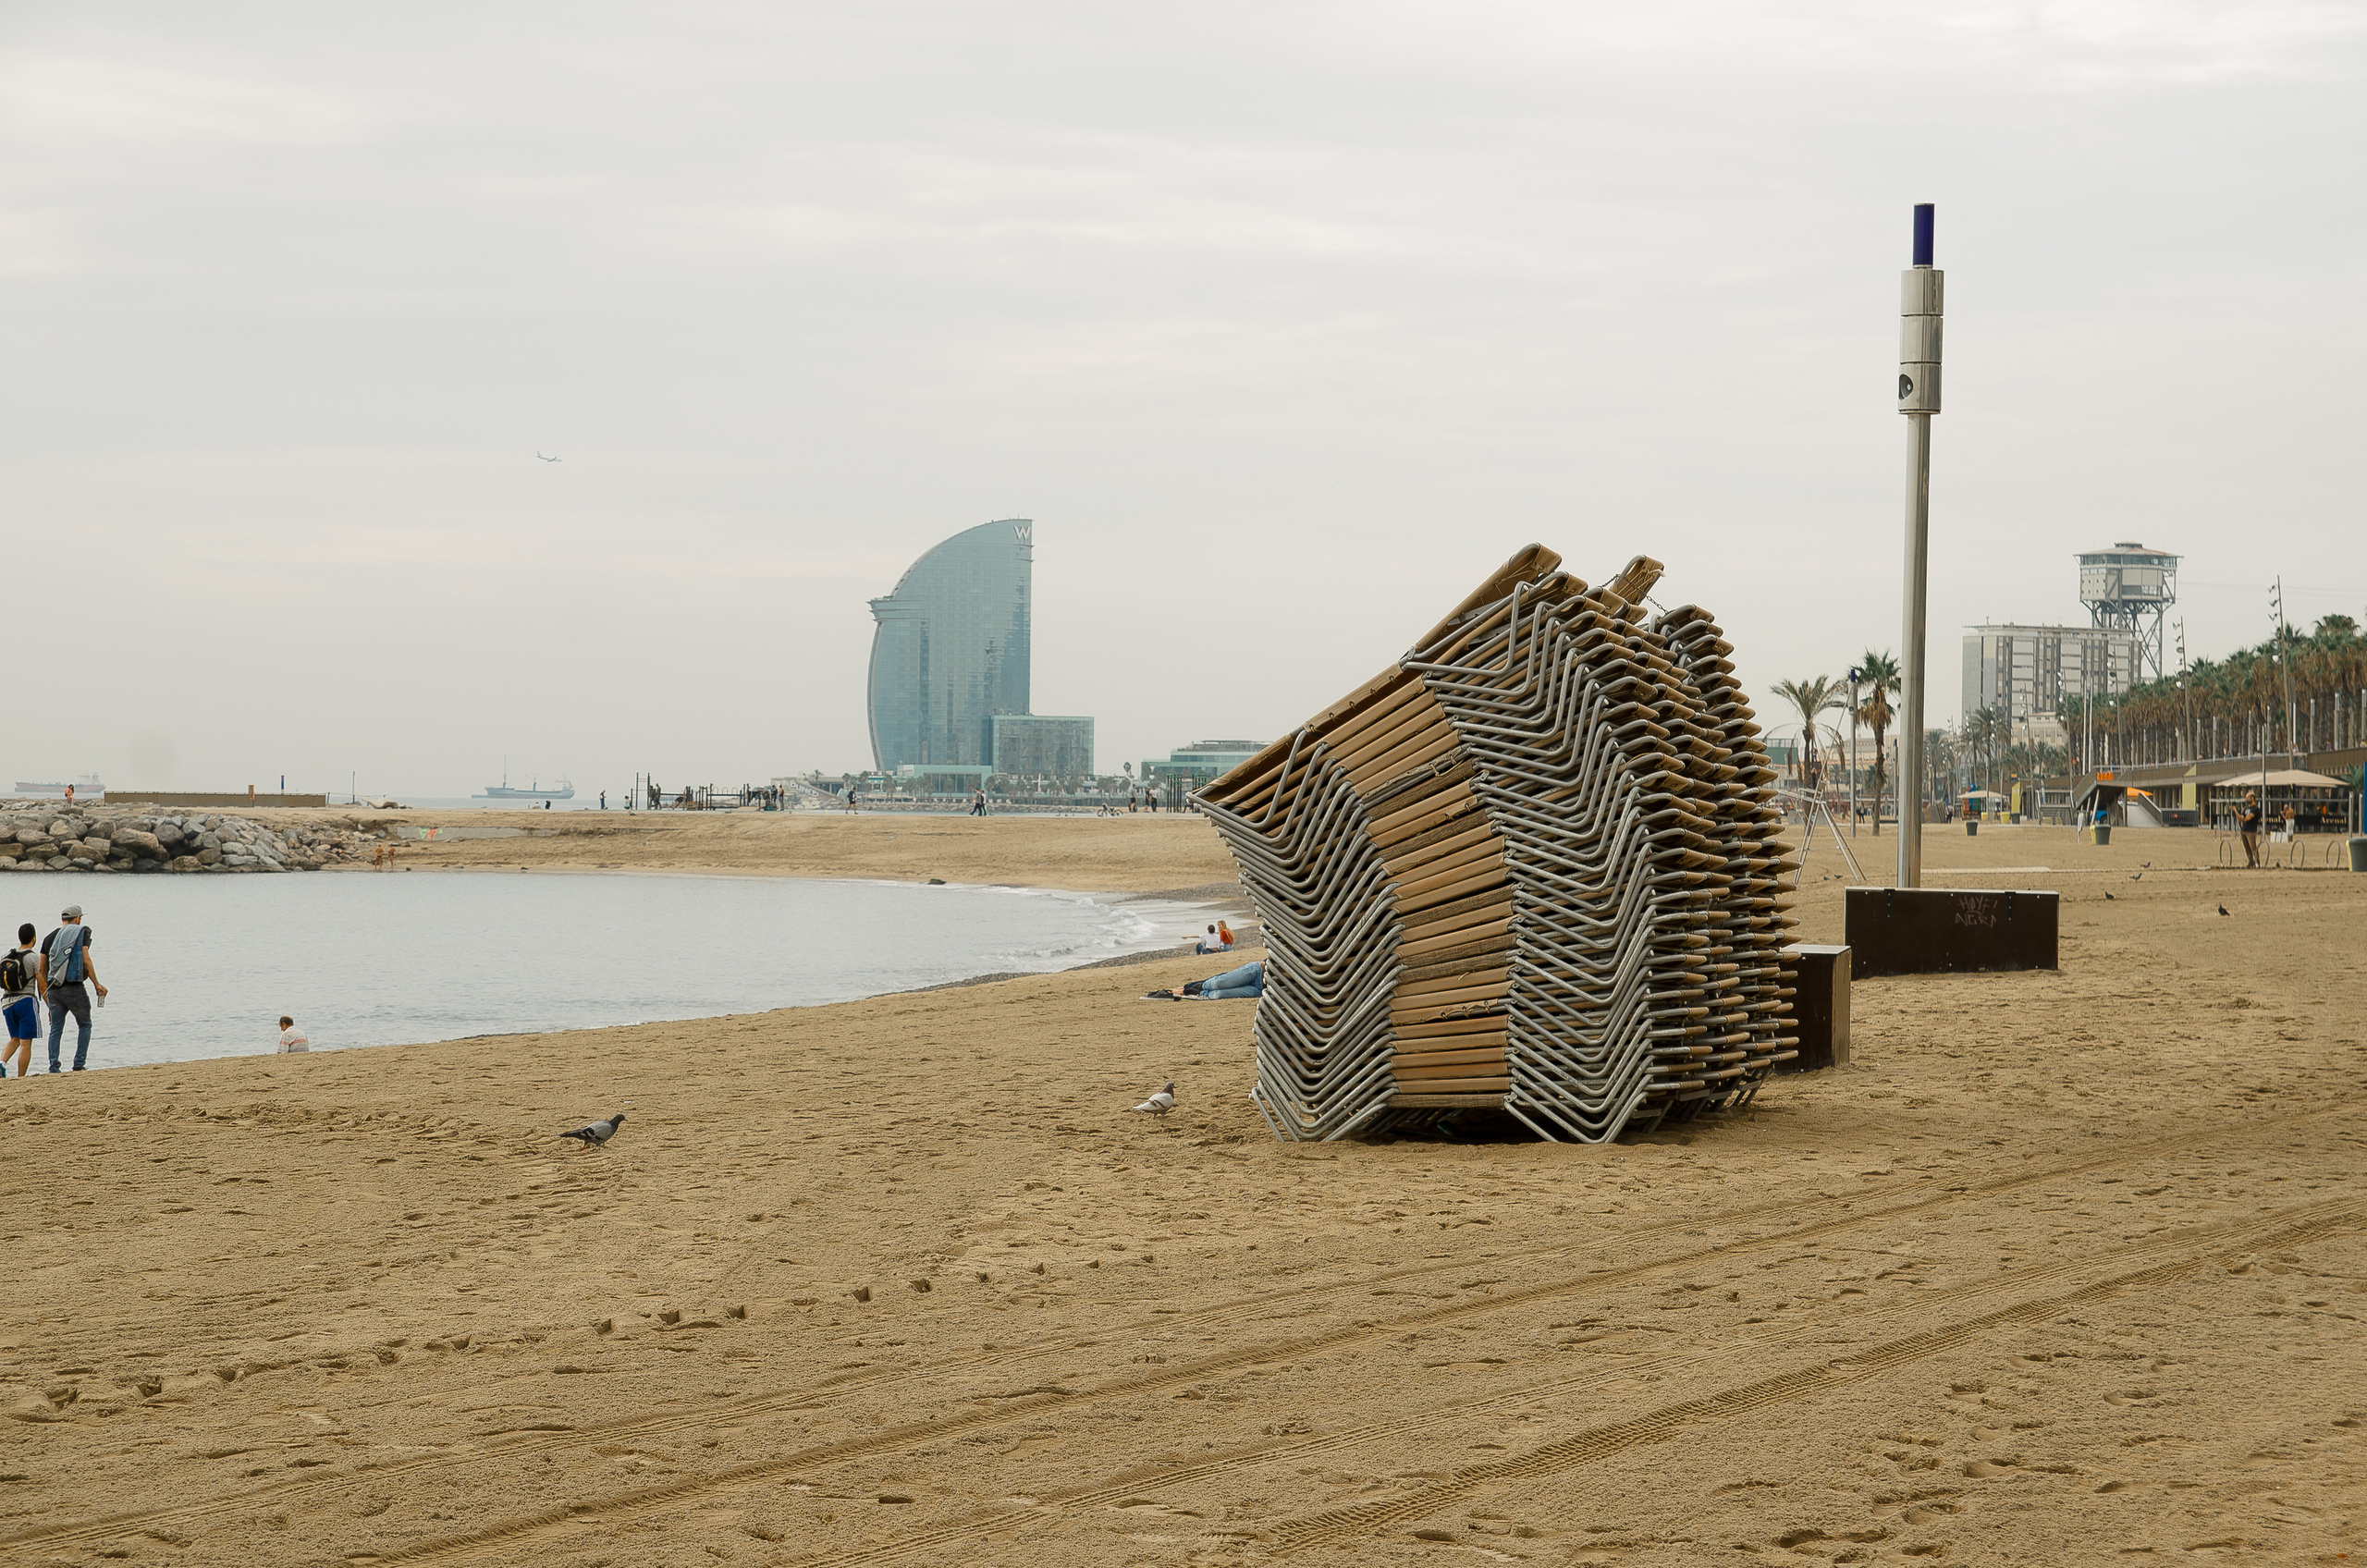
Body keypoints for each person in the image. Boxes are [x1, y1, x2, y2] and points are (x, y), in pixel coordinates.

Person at [39, 903, 106, 1073]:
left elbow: (41, 969)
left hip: (54, 988)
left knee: (56, 1029)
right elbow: (85, 960)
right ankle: (78, 1064)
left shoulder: (48, 939)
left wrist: (47, 996)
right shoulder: (78, 933)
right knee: (85, 1024)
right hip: (74, 987)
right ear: (77, 919)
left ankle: (54, 1067)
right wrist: (96, 983)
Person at [2, 924, 38, 1080]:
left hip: (6, 1003)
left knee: (14, 1039)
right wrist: (49, 1002)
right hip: (25, 1001)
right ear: (34, 938)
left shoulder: (7, 955)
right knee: (25, 1043)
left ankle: (2, 1063)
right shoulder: (33, 957)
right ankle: (20, 1077)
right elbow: (42, 982)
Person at [1145, 960, 1264, 1001]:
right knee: (1219, 983)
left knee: (1218, 994)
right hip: (1258, 971)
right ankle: (1182, 989)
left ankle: (1195, 991)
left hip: (1260, 990)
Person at [2238, 790, 2263, 867]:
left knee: (2253, 847)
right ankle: (2251, 862)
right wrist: (2235, 811)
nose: (2246, 799)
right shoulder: (2246, 809)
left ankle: (2257, 863)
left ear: (2252, 798)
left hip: (2251, 831)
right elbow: (2241, 817)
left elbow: (2249, 818)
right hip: (2244, 830)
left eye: (2247, 798)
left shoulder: (2256, 809)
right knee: (2247, 847)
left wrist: (2244, 819)